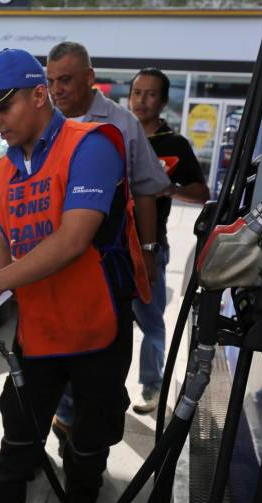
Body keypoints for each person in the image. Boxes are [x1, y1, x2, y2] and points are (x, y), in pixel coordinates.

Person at [0, 48, 151, 503]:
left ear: (40, 95)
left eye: (4, 106)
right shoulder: (4, 169)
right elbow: (8, 242)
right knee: (19, 425)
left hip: (96, 326)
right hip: (39, 328)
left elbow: (73, 239)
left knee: (89, 437)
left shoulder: (94, 144)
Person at [46, 42, 170, 443]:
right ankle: (64, 416)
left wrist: (149, 254)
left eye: (65, 80)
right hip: (53, 264)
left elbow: (148, 189)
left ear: (88, 77)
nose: (57, 90)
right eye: (51, 82)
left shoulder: (120, 124)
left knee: (103, 351)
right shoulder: (44, 122)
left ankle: (96, 431)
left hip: (108, 265)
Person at [127, 67, 210, 413]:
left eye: (150, 94)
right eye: (136, 92)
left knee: (151, 324)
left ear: (162, 101)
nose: (142, 100)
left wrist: (170, 187)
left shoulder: (174, 145)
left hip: (150, 249)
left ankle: (153, 387)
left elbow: (201, 193)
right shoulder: (117, 134)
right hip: (111, 250)